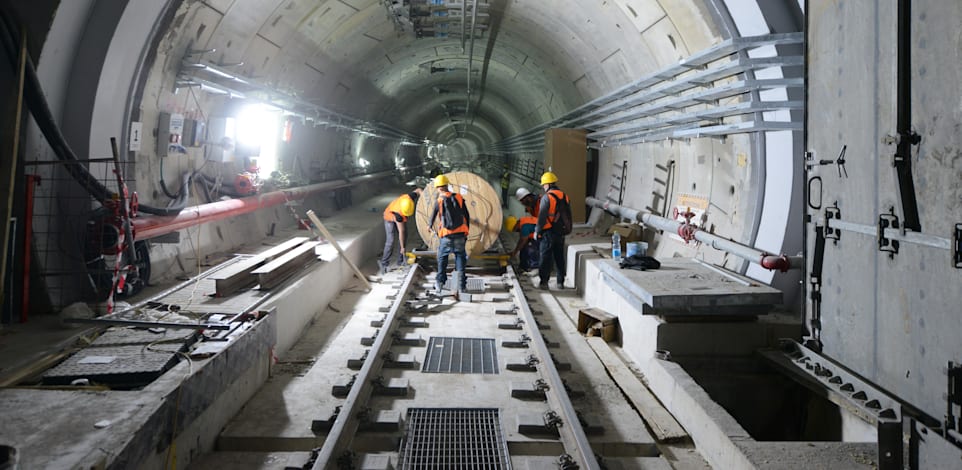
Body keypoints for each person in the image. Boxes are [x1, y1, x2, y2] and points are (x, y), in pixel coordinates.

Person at [428, 174, 471, 299]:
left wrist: (429, 225)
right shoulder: (458, 197)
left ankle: (440, 283)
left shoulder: (440, 200)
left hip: (446, 235)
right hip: (460, 234)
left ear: (438, 188)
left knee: (442, 258)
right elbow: (467, 215)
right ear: (447, 186)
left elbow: (433, 214)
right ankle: (461, 286)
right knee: (460, 258)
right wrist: (466, 231)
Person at [534, 171, 571, 290]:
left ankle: (544, 282)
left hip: (548, 232)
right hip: (560, 231)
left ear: (548, 184)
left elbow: (542, 216)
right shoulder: (564, 196)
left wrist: (537, 231)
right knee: (559, 256)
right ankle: (560, 282)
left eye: (544, 185)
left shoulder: (547, 197)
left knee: (545, 257)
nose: (543, 187)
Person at [380, 187, 422, 274]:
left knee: (404, 236)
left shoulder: (409, 199)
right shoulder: (398, 215)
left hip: (397, 213)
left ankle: (400, 261)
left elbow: (418, 190)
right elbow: (401, 232)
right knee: (390, 240)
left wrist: (424, 199)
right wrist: (403, 247)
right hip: (389, 217)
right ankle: (384, 263)